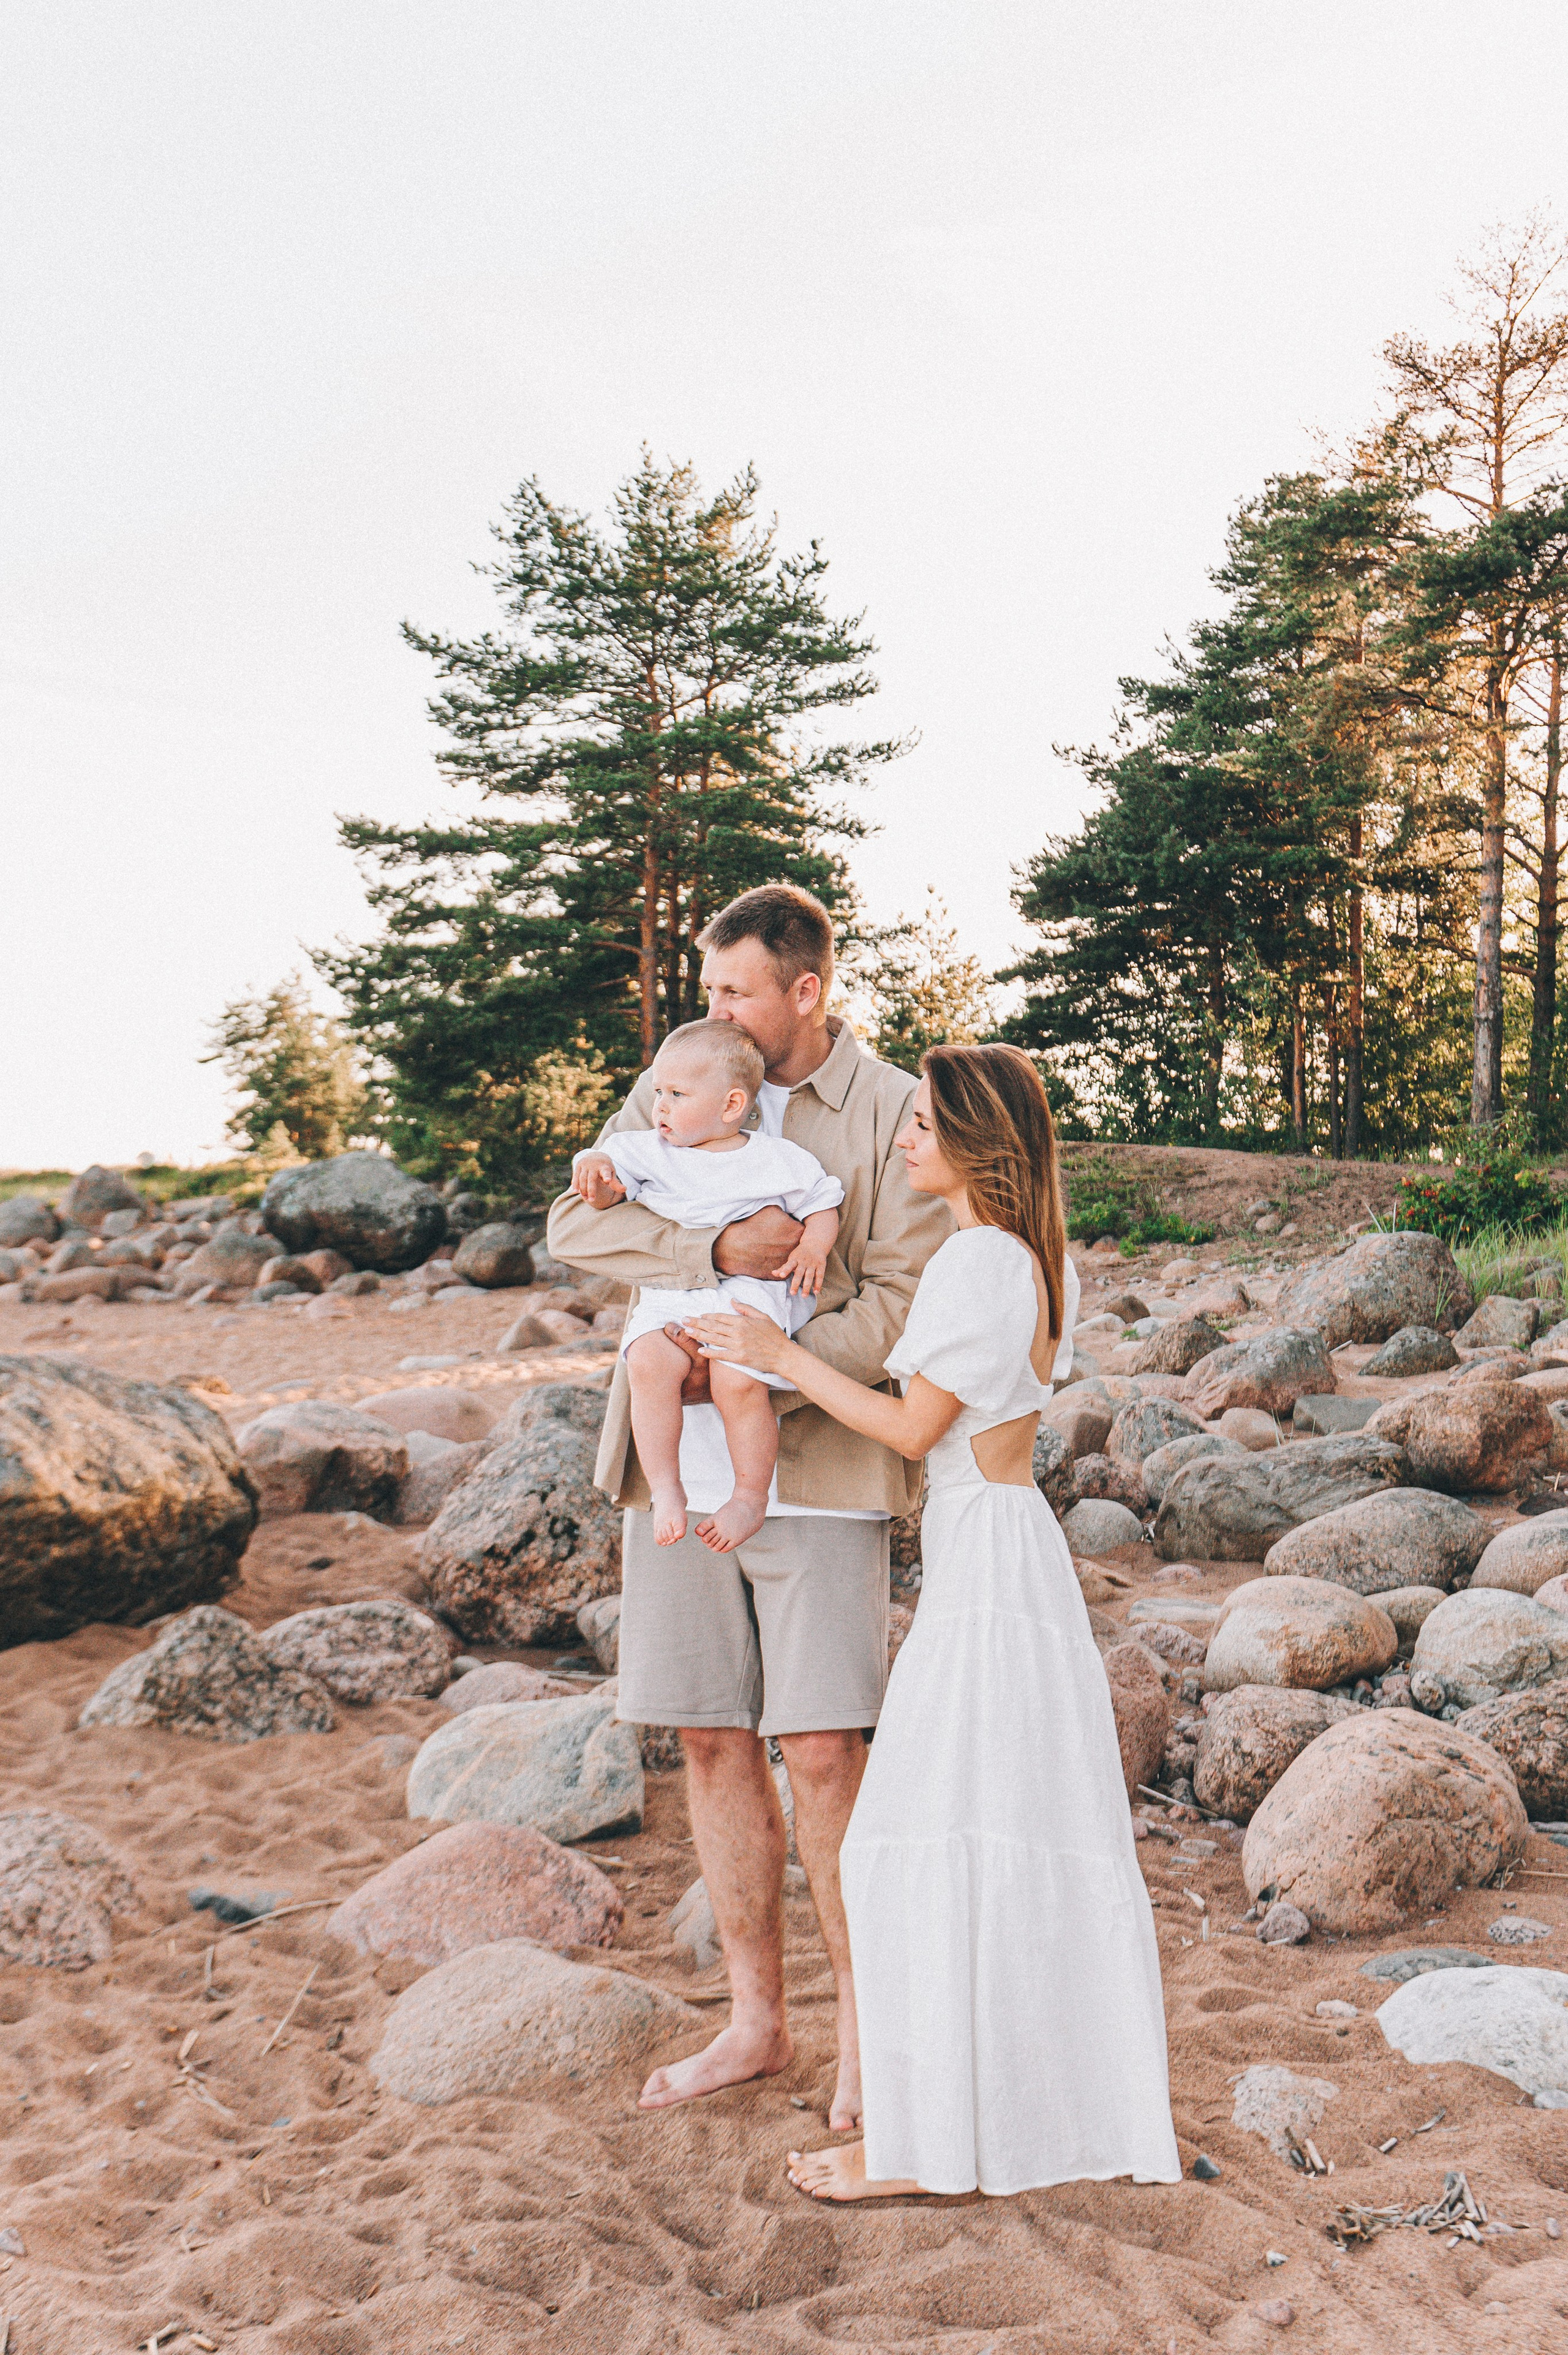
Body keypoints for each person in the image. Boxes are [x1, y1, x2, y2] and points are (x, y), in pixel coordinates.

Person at [687, 1043, 1181, 2201]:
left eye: (922, 1122)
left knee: (906, 1848)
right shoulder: (1030, 1259)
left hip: (990, 1573)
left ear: (974, 1140)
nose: (903, 1138)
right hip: (1002, 1548)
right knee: (970, 1838)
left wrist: (778, 1355)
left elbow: (912, 1430)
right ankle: (957, 2121)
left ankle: (913, 2145)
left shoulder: (977, 1260)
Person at [546, 883, 951, 2125]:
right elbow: (574, 1224)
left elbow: (900, 1299)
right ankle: (756, 2024)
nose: (710, 1009)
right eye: (706, 988)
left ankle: (867, 2044)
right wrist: (707, 1261)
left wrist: (771, 1365)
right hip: (671, 1469)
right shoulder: (673, 1082)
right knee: (710, 1736)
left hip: (819, 1470)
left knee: (823, 1749)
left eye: (733, 990)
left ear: (806, 991)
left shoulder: (889, 1113)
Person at [568, 1019, 844, 1552]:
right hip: (675, 1293)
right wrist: (596, 1171)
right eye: (658, 1094)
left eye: (676, 1095)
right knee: (647, 1363)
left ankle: (749, 1495)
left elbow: (822, 1202)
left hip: (748, 1297)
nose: (661, 1108)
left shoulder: (775, 1159)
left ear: (731, 1105)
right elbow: (604, 1176)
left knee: (737, 1385)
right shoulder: (648, 1149)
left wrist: (814, 1247)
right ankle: (668, 1487)